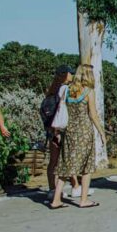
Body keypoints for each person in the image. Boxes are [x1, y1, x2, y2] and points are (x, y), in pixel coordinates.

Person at [48, 64, 106, 209]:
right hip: (84, 132)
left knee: (65, 165)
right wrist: (101, 132)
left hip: (69, 132)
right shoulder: (89, 92)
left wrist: (58, 132)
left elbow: (61, 110)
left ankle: (56, 200)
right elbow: (93, 115)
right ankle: (84, 199)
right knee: (87, 166)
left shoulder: (67, 91)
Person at [43, 66, 81, 201]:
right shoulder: (65, 89)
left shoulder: (52, 91)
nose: (72, 75)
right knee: (67, 158)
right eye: (70, 73)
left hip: (52, 129)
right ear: (65, 75)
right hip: (62, 129)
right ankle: (75, 187)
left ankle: (52, 189)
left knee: (53, 161)